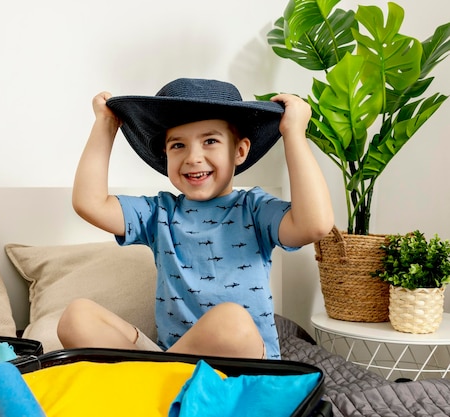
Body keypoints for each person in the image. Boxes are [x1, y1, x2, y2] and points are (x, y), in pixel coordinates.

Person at [57, 78, 333, 359]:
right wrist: (105, 125)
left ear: (239, 151)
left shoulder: (254, 208)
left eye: (210, 141)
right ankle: (163, 375)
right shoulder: (159, 213)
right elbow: (89, 203)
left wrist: (294, 133)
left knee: (231, 321)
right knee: (76, 317)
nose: (193, 157)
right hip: (174, 360)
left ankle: (154, 375)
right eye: (178, 146)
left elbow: (316, 224)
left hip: (244, 362)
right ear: (165, 155)